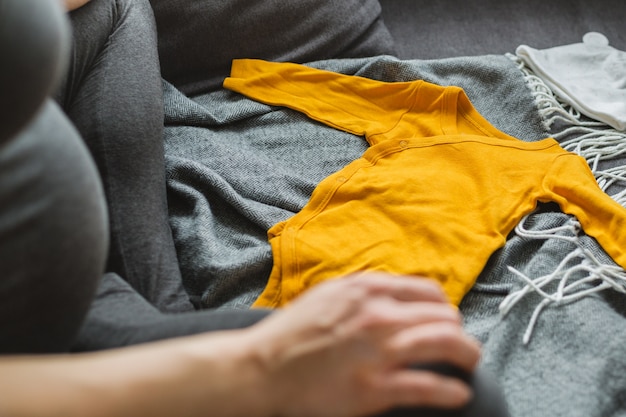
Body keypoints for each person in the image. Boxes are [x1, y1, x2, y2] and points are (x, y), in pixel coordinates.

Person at [0, 0, 506, 415]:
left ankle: (159, 307)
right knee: (438, 384)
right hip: (41, 332)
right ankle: (152, 326)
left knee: (112, 6)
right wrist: (253, 368)